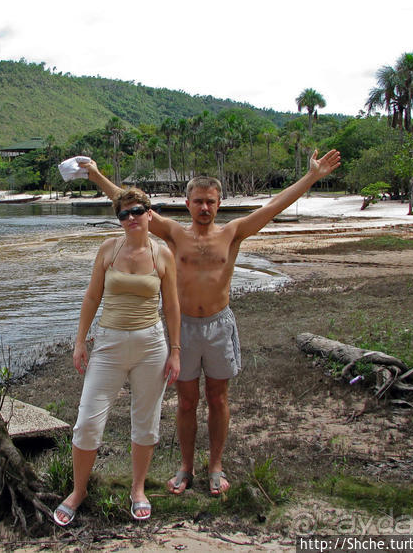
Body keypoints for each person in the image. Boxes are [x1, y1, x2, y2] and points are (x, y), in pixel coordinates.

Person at [79, 149, 341, 497]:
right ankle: (186, 467)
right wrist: (96, 175)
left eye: (211, 202)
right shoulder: (173, 234)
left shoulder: (233, 232)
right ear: (186, 203)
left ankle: (215, 465)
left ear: (219, 204)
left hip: (219, 325)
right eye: (198, 201)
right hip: (183, 327)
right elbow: (129, 205)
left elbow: (272, 207)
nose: (205, 208)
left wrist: (311, 177)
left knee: (218, 399)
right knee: (186, 402)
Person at [53, 187, 181, 526]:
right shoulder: (108, 249)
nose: (130, 218)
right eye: (123, 214)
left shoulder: (163, 254)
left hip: (152, 346)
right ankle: (79, 490)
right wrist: (80, 341)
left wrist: (176, 352)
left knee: (146, 420)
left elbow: (171, 307)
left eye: (136, 211)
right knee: (88, 421)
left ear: (150, 213)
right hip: (108, 344)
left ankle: (138, 489)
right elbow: (93, 295)